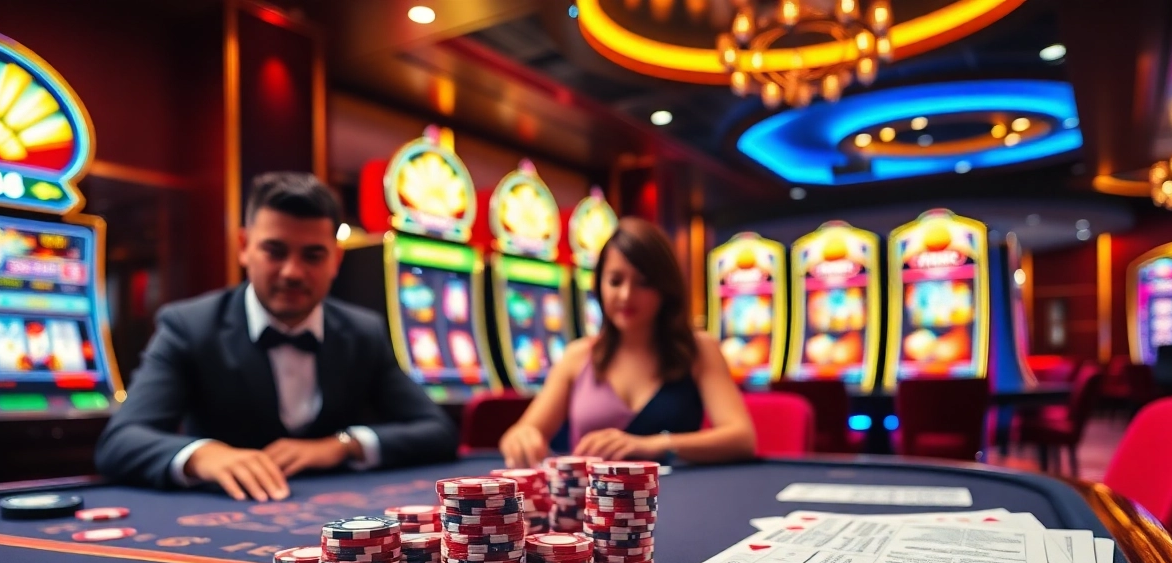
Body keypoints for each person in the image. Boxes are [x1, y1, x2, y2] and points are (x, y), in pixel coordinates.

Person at [96, 172, 458, 500]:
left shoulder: (363, 331)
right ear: (244, 246)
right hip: (225, 516)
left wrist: (341, 446)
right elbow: (119, 442)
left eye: (313, 255)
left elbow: (437, 431)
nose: (292, 272)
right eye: (275, 251)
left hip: (336, 523)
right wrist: (204, 455)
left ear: (335, 260)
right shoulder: (189, 326)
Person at [499, 217, 755, 467]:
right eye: (615, 281)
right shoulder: (577, 355)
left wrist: (653, 445)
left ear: (665, 288)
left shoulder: (698, 349)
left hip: (679, 497)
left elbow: (742, 438)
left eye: (643, 282)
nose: (626, 294)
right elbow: (523, 431)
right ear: (599, 285)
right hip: (590, 504)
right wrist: (521, 438)